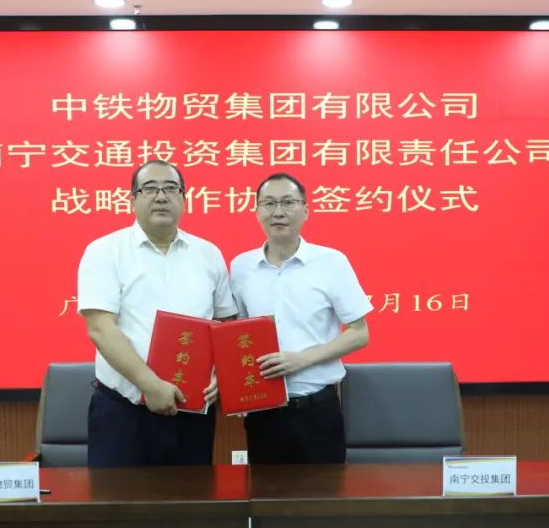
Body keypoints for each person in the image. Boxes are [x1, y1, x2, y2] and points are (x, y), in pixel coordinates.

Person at [78, 160, 237, 467]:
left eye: (171, 189)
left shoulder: (208, 254)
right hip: (124, 414)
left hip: (193, 412)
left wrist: (222, 374)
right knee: (119, 498)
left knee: (192, 496)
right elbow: (100, 329)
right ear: (133, 199)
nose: (161, 196)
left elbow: (226, 322)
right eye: (150, 189)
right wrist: (150, 385)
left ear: (184, 199)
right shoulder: (105, 251)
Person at [229, 172, 372, 464]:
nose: (278, 212)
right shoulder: (241, 267)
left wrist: (302, 359)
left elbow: (359, 333)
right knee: (264, 491)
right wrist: (239, 388)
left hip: (317, 409)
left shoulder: (331, 262)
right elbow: (238, 334)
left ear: (305, 210)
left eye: (288, 202)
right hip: (262, 412)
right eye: (269, 203)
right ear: (256, 211)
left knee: (323, 493)